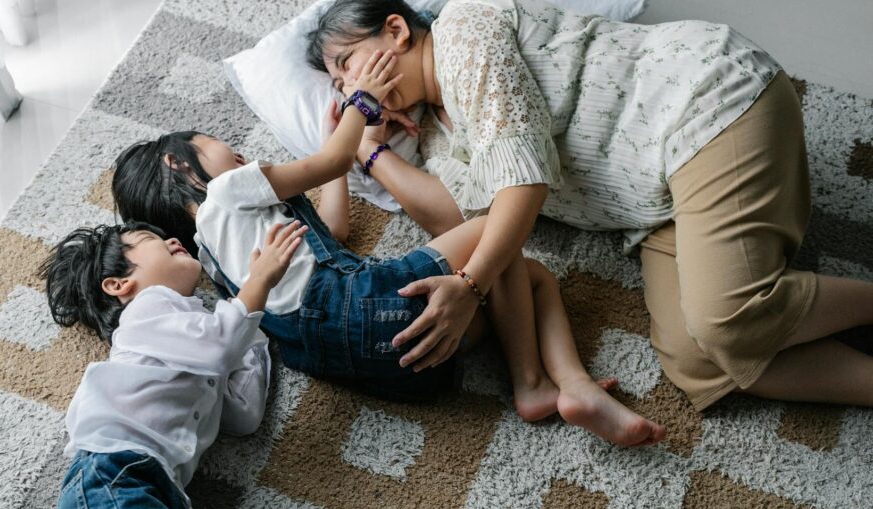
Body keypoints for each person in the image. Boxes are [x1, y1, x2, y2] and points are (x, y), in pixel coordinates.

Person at [306, 0, 873, 411]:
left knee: (725, 324)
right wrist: (371, 149)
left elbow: (523, 186)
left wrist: (471, 284)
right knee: (695, 361)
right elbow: (461, 221)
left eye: (347, 66)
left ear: (397, 30)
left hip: (708, 103)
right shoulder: (434, 136)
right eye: (337, 87)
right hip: (655, 202)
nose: (346, 90)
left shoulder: (465, 28)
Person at [111, 49, 666, 446]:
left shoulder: (216, 259)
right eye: (226, 150)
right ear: (178, 163)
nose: (239, 158)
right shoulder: (229, 191)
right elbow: (328, 163)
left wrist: (340, 150)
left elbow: (333, 230)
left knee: (530, 277)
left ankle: (563, 388)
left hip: (383, 361)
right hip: (370, 303)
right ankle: (534, 379)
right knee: (495, 227)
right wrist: (361, 103)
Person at [40, 219, 308, 509]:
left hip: (148, 499)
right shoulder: (146, 310)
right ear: (119, 285)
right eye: (151, 239)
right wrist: (257, 283)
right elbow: (218, 346)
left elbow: (243, 413)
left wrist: (250, 326)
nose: (171, 238)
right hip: (114, 481)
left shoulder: (194, 336)